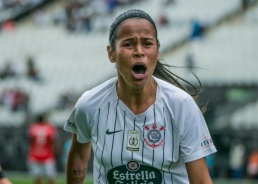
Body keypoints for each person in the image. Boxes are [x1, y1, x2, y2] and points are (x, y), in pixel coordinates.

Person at [64, 9, 217, 184]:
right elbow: (78, 154)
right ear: (111, 53)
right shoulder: (89, 104)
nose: (139, 51)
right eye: (129, 44)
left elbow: (201, 180)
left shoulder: (182, 105)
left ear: (157, 51)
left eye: (147, 43)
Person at [27, 113, 58, 184]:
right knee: (51, 178)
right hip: (47, 155)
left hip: (34, 155)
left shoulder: (32, 128)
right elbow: (54, 142)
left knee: (37, 178)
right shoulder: (50, 128)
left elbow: (30, 142)